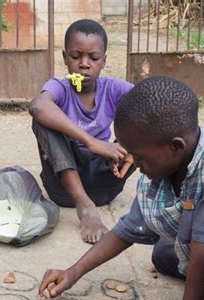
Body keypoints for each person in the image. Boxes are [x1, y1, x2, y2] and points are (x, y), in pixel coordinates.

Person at [38, 76, 204, 300]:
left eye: (139, 158)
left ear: (176, 146)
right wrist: (73, 272)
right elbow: (127, 230)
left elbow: (203, 250)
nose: (136, 165)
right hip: (202, 247)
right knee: (163, 253)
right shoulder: (165, 170)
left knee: (198, 253)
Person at [29, 19, 135, 244]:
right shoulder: (60, 87)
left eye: (94, 58)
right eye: (76, 56)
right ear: (65, 57)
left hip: (106, 181)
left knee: (149, 118)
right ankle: (85, 206)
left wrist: (133, 147)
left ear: (104, 61)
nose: (84, 64)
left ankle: (90, 199)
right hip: (65, 191)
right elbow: (38, 106)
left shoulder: (113, 88)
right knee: (42, 119)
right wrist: (91, 141)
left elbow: (152, 102)